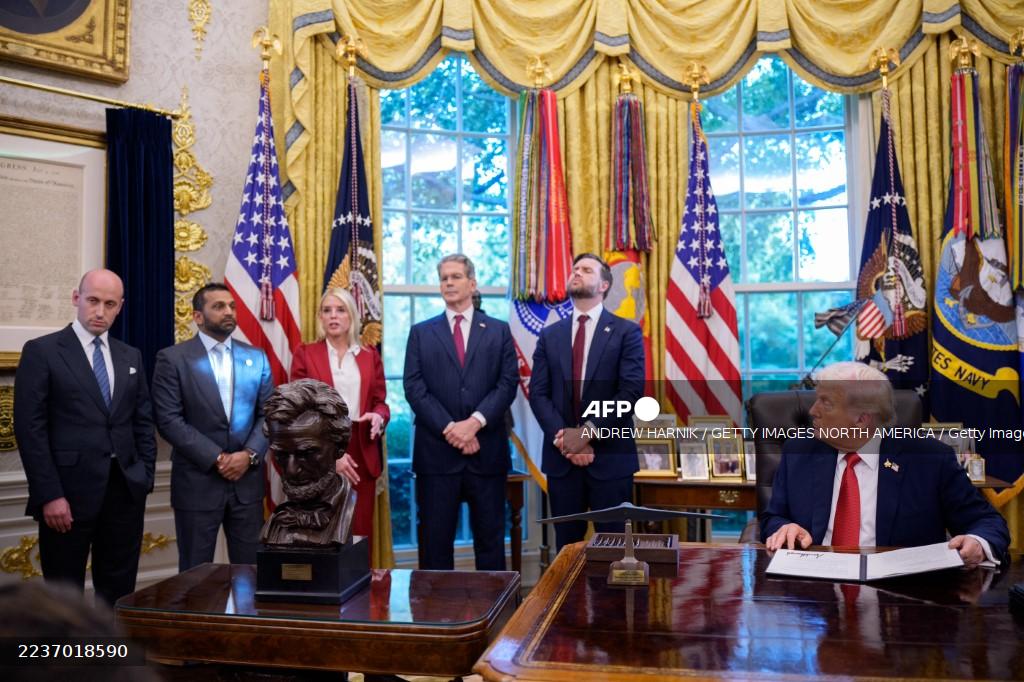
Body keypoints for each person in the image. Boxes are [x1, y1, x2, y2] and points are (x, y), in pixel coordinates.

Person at [761, 361, 1010, 566]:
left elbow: (987, 522)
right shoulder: (799, 451)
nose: (812, 411)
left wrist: (977, 542)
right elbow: (773, 517)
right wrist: (784, 527)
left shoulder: (930, 460)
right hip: (815, 593)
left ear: (861, 419)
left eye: (826, 403)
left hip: (903, 595)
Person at [13, 269, 157, 605]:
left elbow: (142, 422)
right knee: (64, 594)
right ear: (76, 299)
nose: (100, 311)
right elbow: (30, 429)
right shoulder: (43, 351)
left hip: (124, 492)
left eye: (109, 304)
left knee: (119, 590)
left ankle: (109, 657)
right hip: (66, 496)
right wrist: (49, 494)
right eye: (93, 301)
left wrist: (144, 476)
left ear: (119, 307)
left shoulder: (130, 355)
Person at [403, 254, 518, 570]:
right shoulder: (421, 333)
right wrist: (452, 428)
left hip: (487, 453)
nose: (449, 283)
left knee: (491, 543)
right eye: (444, 278)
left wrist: (475, 423)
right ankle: (434, 617)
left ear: (472, 283)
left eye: (456, 276)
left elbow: (507, 383)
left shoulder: (498, 331)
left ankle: (494, 617)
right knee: (435, 546)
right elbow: (414, 388)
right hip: (437, 455)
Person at [152, 282, 273, 572]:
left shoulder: (256, 357)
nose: (228, 311)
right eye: (218, 307)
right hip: (197, 484)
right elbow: (168, 419)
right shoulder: (173, 359)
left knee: (252, 574)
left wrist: (249, 455)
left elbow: (271, 414)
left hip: (247, 484)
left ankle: (245, 621)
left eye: (231, 306)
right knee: (195, 575)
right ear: (198, 317)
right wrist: (217, 459)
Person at [529, 253, 645, 551]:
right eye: (575, 269)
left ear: (604, 285)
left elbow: (630, 393)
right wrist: (567, 441)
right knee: (566, 552)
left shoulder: (627, 332)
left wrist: (587, 434)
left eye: (586, 270)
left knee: (617, 551)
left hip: (610, 459)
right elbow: (538, 393)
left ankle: (617, 602)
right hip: (562, 462)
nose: (577, 273)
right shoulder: (550, 335)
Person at [290, 287, 389, 554]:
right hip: (319, 453)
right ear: (320, 318)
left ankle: (360, 595)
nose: (334, 316)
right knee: (323, 535)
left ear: (352, 316)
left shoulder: (369, 355)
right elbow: (298, 410)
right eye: (327, 310)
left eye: (341, 310)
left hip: (361, 451)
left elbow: (381, 401)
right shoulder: (306, 354)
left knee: (359, 534)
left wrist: (379, 416)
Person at [260, 379, 356, 546]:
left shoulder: (348, 508)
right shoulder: (278, 520)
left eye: (307, 454)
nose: (291, 471)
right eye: (281, 455)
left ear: (339, 447)